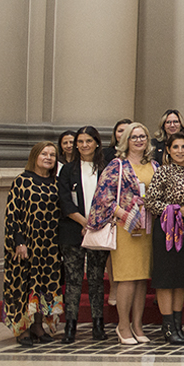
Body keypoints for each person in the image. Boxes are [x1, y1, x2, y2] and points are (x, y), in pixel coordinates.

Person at [87, 122, 156, 344]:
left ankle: (138, 325)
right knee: (126, 278)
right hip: (126, 229)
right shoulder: (117, 166)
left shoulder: (154, 166)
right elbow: (103, 198)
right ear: (126, 140)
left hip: (147, 229)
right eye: (134, 136)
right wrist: (125, 215)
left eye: (142, 136)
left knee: (141, 279)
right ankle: (123, 325)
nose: (139, 140)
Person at [4, 142, 63, 347]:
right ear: (35, 156)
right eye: (44, 154)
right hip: (26, 245)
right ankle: (22, 329)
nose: (48, 157)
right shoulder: (22, 181)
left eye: (53, 155)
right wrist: (18, 242)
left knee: (45, 285)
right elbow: (12, 215)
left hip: (49, 246)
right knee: (24, 286)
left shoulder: (56, 183)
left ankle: (38, 325)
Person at [145, 132, 184, 344]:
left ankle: (178, 325)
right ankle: (168, 328)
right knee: (166, 280)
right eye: (176, 147)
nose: (180, 151)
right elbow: (150, 202)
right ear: (168, 150)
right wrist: (177, 210)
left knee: (181, 280)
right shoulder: (163, 172)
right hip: (167, 231)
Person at [56, 126, 109, 342]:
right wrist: (83, 221)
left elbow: (110, 198)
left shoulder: (105, 168)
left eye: (89, 141)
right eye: (80, 141)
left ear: (96, 143)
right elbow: (64, 200)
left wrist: (95, 223)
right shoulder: (67, 170)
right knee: (74, 279)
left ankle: (98, 324)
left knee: (96, 279)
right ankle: (70, 324)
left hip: (99, 230)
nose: (84, 145)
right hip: (73, 231)